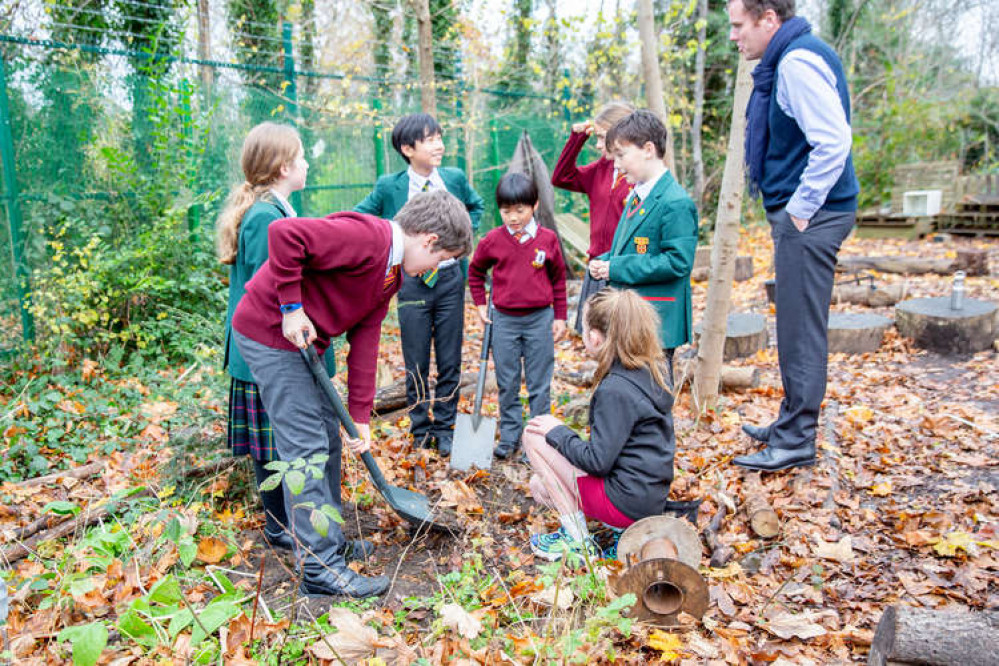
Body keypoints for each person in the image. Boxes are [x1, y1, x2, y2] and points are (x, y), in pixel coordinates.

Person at [232, 190, 473, 597]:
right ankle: (320, 569)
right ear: (429, 240)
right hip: (271, 335)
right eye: (440, 259)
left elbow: (367, 334)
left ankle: (328, 539)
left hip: (304, 346)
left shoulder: (392, 272)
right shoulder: (368, 238)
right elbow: (285, 234)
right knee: (305, 447)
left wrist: (360, 413)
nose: (435, 269)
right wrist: (291, 307)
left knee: (327, 437)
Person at [727, 0, 859, 472]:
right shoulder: (787, 58)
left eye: (739, 26)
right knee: (794, 326)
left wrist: (800, 210)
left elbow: (833, 140)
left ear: (769, 19)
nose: (734, 36)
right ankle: (789, 424)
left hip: (814, 216)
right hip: (807, 214)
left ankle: (798, 439)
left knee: (801, 333)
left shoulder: (798, 62)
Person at [354, 113, 483, 456]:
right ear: (408, 149)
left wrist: (460, 236)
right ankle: (419, 429)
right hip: (411, 280)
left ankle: (446, 428)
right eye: (430, 139)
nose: (439, 144)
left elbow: (477, 206)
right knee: (415, 359)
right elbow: (361, 216)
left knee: (450, 357)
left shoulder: (453, 179)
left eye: (440, 137)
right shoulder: (389, 186)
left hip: (450, 279)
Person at [523, 288, 675, 561]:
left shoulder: (615, 389)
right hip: (646, 497)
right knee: (539, 485)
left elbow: (597, 462)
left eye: (582, 329)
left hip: (625, 502)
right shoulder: (651, 369)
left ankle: (578, 541)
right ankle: (617, 534)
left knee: (533, 435)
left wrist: (556, 432)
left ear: (594, 337)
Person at [217, 122, 306, 552]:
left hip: (265, 353)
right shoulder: (265, 218)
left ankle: (288, 523)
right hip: (262, 355)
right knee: (270, 444)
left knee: (276, 439)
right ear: (284, 166)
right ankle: (279, 527)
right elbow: (270, 295)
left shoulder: (276, 210)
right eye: (302, 156)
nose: (308, 163)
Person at [588, 109, 698, 383]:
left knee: (654, 397)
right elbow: (628, 250)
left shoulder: (675, 202)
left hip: (656, 321)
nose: (617, 165)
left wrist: (616, 268)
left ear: (648, 149)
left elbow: (677, 262)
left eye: (622, 155)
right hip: (629, 318)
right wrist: (604, 261)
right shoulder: (637, 195)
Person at [468, 173, 567, 459]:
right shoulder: (492, 241)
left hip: (540, 320)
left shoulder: (547, 240)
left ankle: (537, 441)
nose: (513, 217)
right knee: (507, 382)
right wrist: (479, 305)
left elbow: (559, 279)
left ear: (534, 205)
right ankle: (511, 435)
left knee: (539, 382)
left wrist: (559, 316)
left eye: (520, 210)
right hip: (504, 321)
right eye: (506, 211)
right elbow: (475, 272)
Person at [551, 101, 635, 334]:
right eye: (596, 138)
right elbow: (561, 177)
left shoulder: (638, 175)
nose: (598, 145)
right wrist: (577, 139)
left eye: (602, 137)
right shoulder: (600, 170)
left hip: (623, 268)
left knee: (622, 336)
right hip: (597, 265)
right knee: (596, 337)